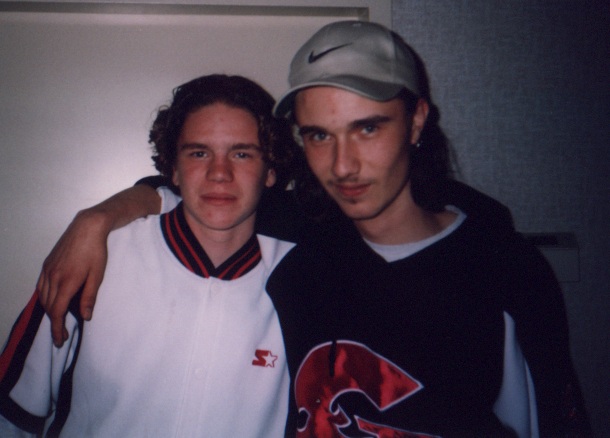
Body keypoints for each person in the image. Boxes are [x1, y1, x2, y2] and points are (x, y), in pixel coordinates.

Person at [33, 21, 590, 437]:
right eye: (320, 135)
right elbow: (199, 188)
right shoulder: (301, 247)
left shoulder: (499, 269)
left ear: (417, 120)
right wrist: (97, 217)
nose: (343, 166)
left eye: (367, 128)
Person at [0, 74, 300, 436]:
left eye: (241, 154)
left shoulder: (304, 284)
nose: (219, 173)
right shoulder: (95, 257)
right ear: (173, 168)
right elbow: (11, 414)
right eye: (199, 153)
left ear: (270, 171)